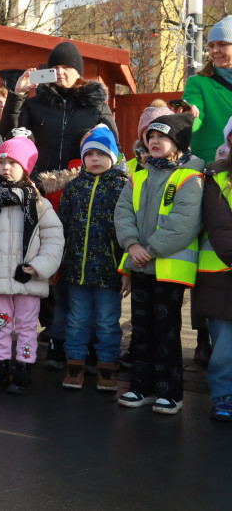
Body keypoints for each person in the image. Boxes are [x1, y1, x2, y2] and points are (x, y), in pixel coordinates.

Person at [114, 114, 203, 415]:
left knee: (166, 331)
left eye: (161, 137)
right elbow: (123, 214)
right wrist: (132, 246)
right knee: (140, 330)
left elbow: (183, 224)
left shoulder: (190, 177)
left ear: (178, 143)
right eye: (150, 136)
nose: (153, 141)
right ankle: (141, 387)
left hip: (168, 269)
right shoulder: (139, 175)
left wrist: (148, 250)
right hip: (140, 266)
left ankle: (170, 393)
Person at [0, 136, 64, 395]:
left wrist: (38, 266)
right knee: (0, 326)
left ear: (26, 167)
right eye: (1, 162)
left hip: (27, 279)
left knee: (27, 327)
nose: (5, 167)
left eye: (13, 162)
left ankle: (24, 369)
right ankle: (0, 368)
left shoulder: (38, 204)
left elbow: (54, 240)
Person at [55, 126, 127, 391]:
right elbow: (62, 226)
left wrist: (126, 269)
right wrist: (58, 263)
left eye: (101, 153)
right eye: (89, 154)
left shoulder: (122, 187)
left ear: (112, 156)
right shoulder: (74, 188)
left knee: (108, 322)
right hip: (77, 270)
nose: (95, 159)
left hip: (110, 272)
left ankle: (107, 367)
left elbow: (129, 229)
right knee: (77, 320)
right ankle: (74, 365)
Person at [1, 41, 118, 179]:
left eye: (66, 67)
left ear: (78, 72)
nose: (59, 72)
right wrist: (18, 94)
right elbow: (9, 134)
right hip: (40, 183)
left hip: (81, 183)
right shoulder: (35, 104)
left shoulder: (96, 107)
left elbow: (112, 146)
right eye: (54, 68)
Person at [196, 127, 232, 421]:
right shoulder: (216, 178)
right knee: (225, 345)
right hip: (222, 275)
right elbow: (220, 226)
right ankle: (223, 395)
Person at [185, 15, 232, 164]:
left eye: (222, 44)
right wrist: (189, 117)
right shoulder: (198, 83)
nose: (214, 51)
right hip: (213, 164)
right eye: (211, 45)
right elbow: (196, 114)